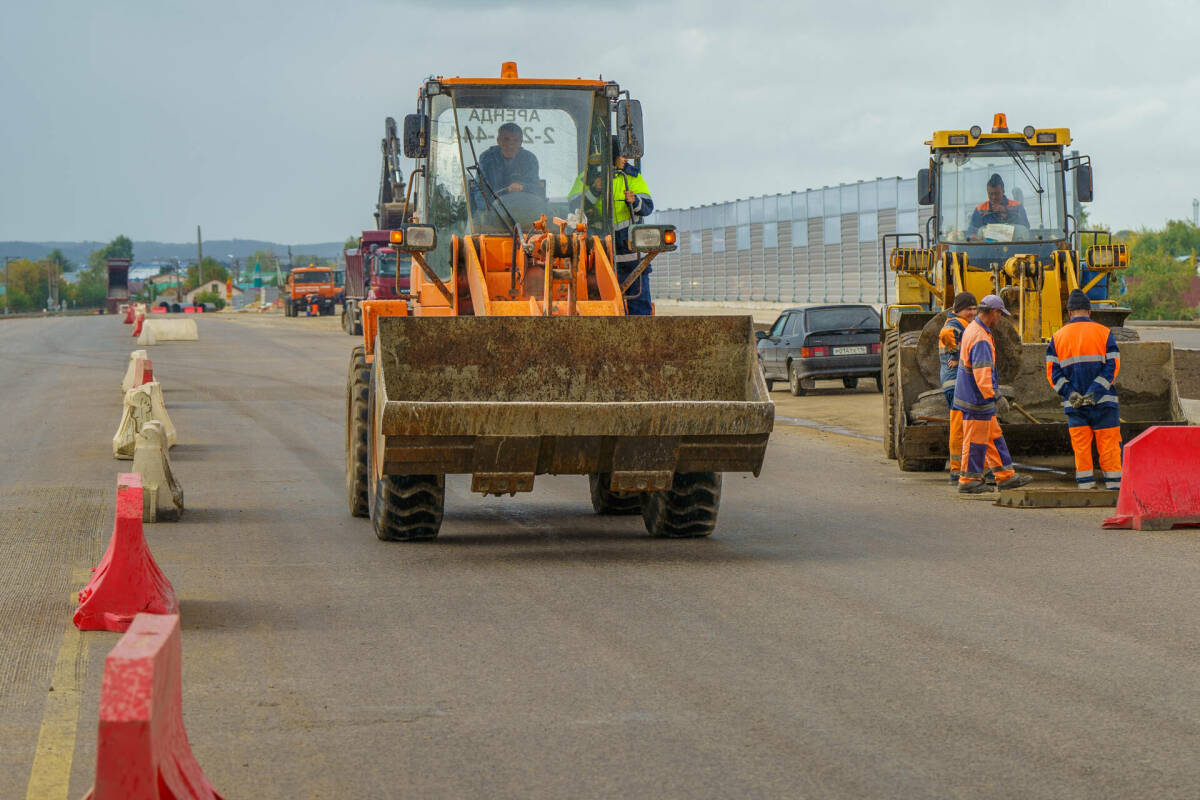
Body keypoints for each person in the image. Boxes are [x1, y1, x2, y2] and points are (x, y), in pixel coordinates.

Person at [954, 294, 1033, 493]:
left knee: (993, 438)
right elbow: (982, 374)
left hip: (975, 397)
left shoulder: (975, 329)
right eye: (1000, 314)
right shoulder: (980, 337)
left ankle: (1005, 477)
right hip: (976, 400)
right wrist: (995, 396)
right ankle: (967, 481)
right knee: (975, 442)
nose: (1000, 319)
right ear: (994, 312)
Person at [1045, 289, 1122, 490]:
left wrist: (1071, 394)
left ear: (1069, 313)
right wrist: (1095, 393)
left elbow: (1053, 374)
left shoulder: (1058, 337)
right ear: (1089, 311)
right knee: (1109, 445)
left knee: (1081, 447)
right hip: (1104, 403)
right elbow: (1112, 366)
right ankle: (1115, 488)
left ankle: (1086, 487)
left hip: (1075, 405)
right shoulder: (1104, 333)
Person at [940, 292, 977, 482]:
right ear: (958, 309)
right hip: (956, 384)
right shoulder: (955, 323)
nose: (972, 313)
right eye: (968, 309)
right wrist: (956, 354)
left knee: (961, 426)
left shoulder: (963, 323)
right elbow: (945, 334)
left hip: (956, 383)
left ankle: (959, 468)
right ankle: (957, 470)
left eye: (973, 309)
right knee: (959, 428)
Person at [475, 122, 541, 204]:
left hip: (523, 209)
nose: (510, 144)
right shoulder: (487, 158)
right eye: (506, 139)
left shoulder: (530, 159)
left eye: (515, 140)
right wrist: (487, 210)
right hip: (493, 210)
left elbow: (536, 187)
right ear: (498, 141)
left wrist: (522, 187)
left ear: (520, 142)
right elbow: (480, 189)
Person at [967, 174, 1030, 239]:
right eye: (990, 194)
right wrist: (975, 237)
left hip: (1014, 247)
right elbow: (971, 232)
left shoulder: (1017, 206)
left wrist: (1006, 213)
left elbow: (1025, 228)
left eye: (997, 193)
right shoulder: (980, 210)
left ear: (1003, 191)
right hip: (987, 248)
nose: (994, 197)